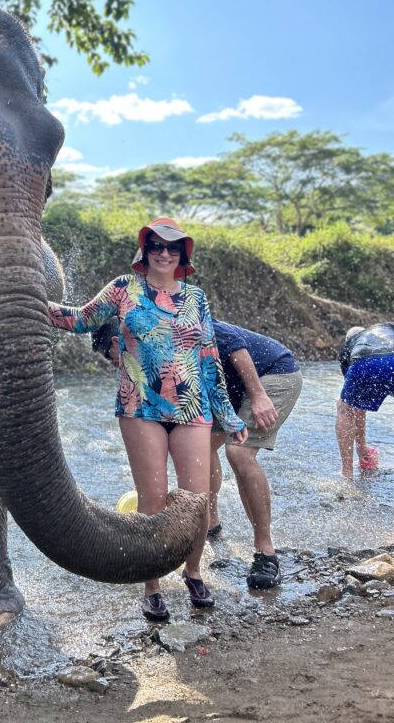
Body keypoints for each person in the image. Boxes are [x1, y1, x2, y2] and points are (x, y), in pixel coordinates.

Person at [49, 217, 247, 623]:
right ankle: (152, 585)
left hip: (192, 408)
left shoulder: (196, 297)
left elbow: (209, 357)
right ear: (145, 250)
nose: (163, 253)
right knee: (152, 499)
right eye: (156, 245)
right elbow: (81, 319)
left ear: (182, 254)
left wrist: (228, 415)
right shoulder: (124, 288)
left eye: (172, 247)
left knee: (196, 501)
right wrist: (30, 299)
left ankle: (194, 573)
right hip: (139, 408)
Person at [208, 321, 303, 589]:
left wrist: (259, 395)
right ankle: (211, 524)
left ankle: (266, 552)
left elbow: (234, 343)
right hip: (233, 387)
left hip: (274, 374)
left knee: (238, 452)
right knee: (200, 448)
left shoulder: (181, 312)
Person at [336, 322, 394, 478]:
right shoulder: (385, 328)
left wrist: (362, 448)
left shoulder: (350, 347)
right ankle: (364, 452)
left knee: (345, 408)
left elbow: (354, 407)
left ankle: (347, 473)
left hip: (366, 362)